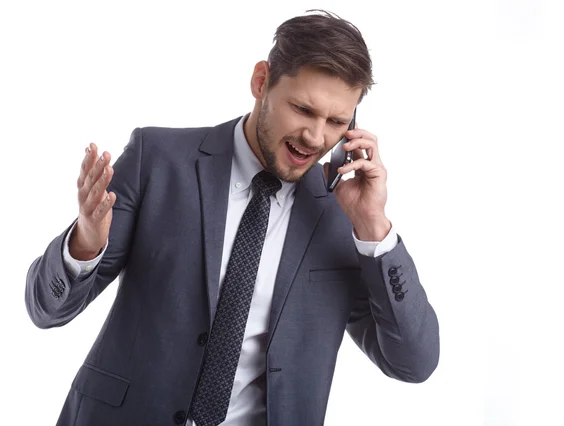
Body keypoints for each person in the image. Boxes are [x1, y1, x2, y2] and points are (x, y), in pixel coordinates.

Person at [25, 9, 439, 426]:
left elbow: (413, 363)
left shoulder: (341, 214)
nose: (315, 138)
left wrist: (373, 227)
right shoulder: (159, 160)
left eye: (336, 121)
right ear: (262, 81)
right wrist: (85, 244)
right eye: (302, 109)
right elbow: (46, 310)